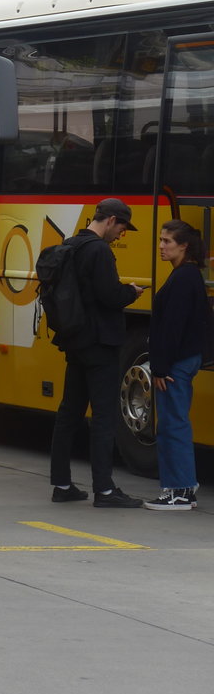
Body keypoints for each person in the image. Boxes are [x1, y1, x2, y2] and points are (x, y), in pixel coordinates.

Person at [49, 198, 145, 508]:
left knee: (69, 413)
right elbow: (109, 296)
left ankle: (62, 484)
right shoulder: (99, 251)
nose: (120, 235)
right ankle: (104, 490)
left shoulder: (72, 244)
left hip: (75, 340)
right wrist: (131, 291)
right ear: (111, 220)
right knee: (104, 417)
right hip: (100, 344)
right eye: (122, 228)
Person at [145, 219, 208, 511]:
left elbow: (172, 327)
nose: (161, 246)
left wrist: (160, 367)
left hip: (176, 364)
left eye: (167, 241)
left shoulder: (183, 278)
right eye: (160, 240)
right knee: (174, 421)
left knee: (172, 424)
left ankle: (180, 491)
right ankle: (183, 486)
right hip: (182, 360)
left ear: (183, 245)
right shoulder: (189, 275)